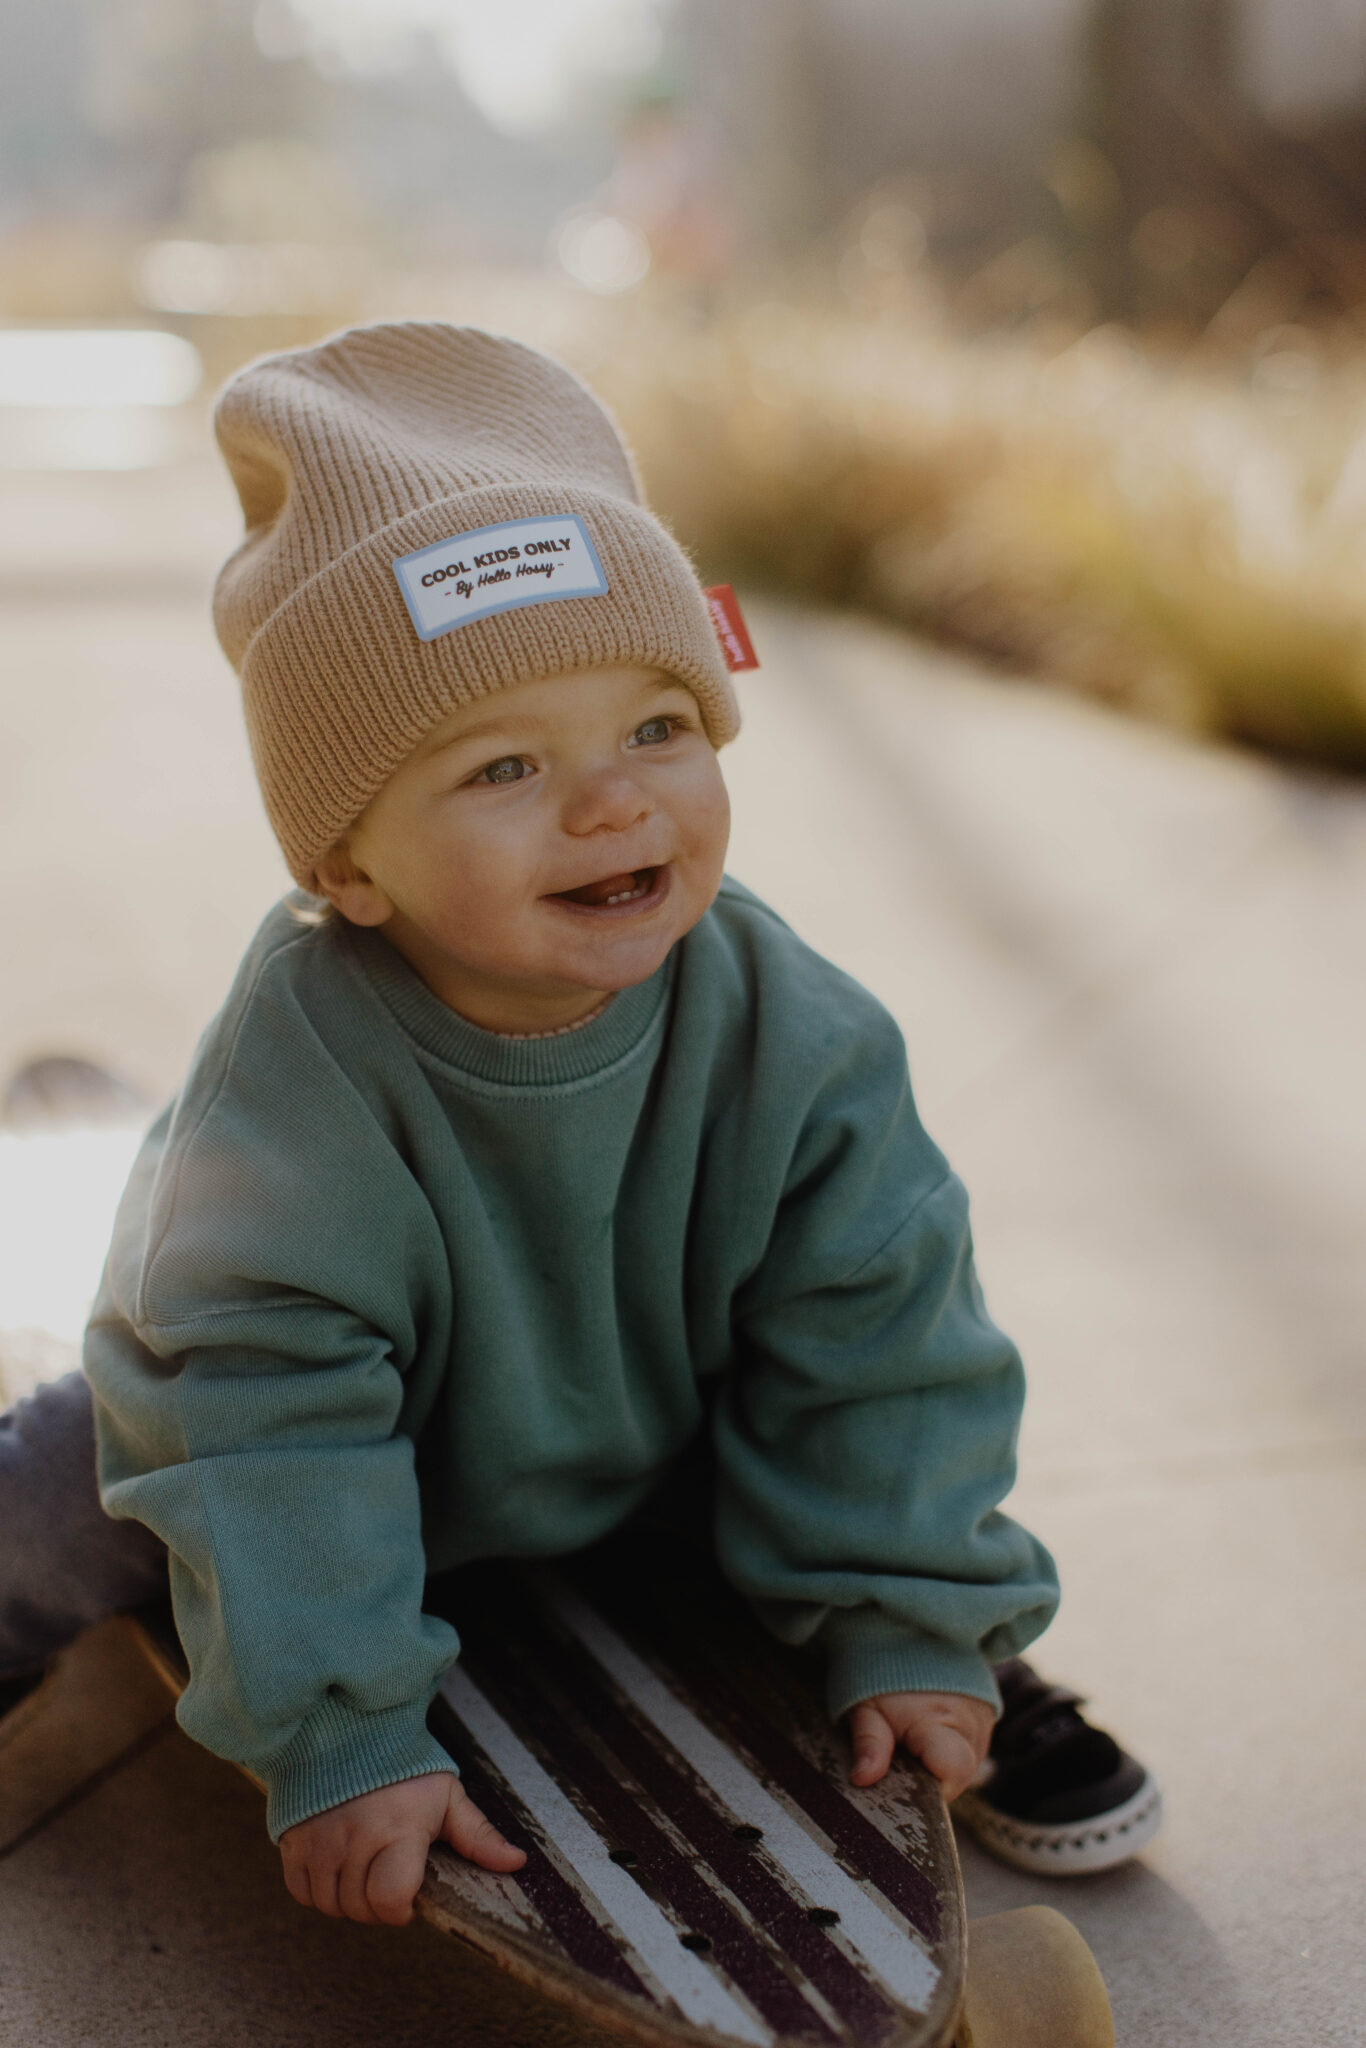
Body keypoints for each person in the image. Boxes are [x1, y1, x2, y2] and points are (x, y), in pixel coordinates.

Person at [0, 323, 1160, 1925]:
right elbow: (262, 1410)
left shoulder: (788, 1028)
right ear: (346, 866)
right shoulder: (298, 1075)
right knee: (78, 1488)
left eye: (657, 728)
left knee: (860, 1487)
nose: (614, 802)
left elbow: (879, 1331)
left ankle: (923, 1629)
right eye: (503, 765)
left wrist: (903, 1604)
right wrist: (337, 1730)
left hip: (638, 1425)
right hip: (362, 1439)